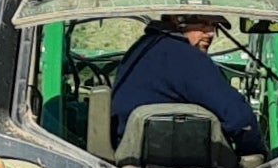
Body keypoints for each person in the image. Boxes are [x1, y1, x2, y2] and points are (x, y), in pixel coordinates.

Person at [109, 15, 262, 154]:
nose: (210, 33)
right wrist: (255, 155)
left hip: (131, 157)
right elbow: (239, 118)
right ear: (177, 21)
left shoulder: (142, 47)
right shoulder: (187, 58)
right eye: (203, 25)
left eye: (214, 26)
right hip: (179, 159)